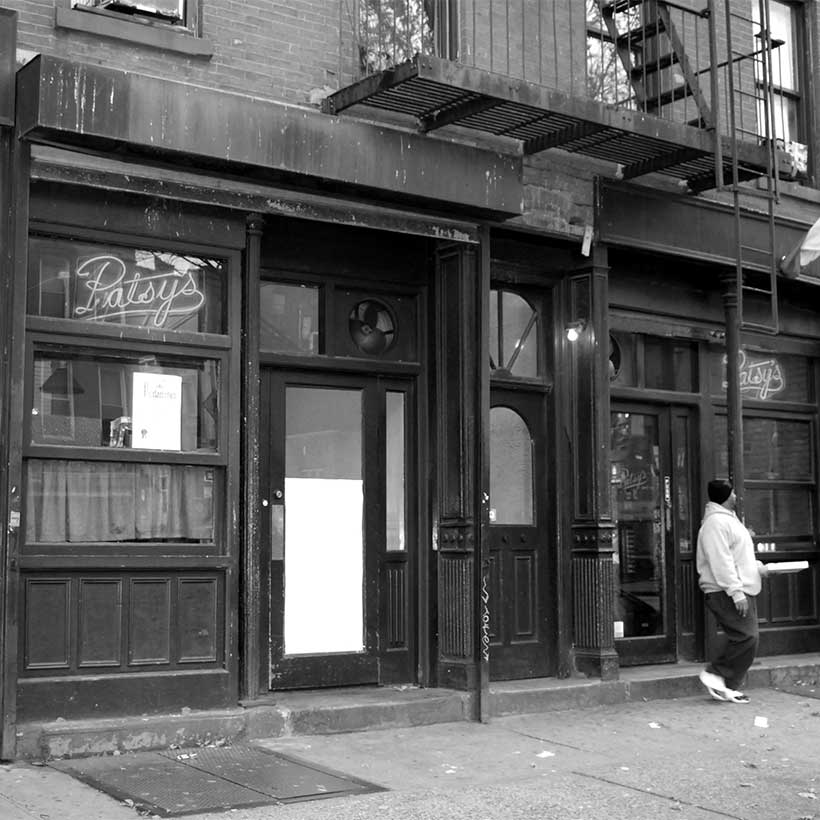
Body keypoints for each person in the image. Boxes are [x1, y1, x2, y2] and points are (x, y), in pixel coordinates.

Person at [696, 479, 768, 704]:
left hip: (738, 588)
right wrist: (736, 592)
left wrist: (758, 568)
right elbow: (721, 561)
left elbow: (738, 557)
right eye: (733, 493)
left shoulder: (728, 521)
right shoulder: (715, 524)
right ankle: (715, 673)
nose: (737, 496)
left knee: (747, 638)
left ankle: (727, 686)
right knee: (746, 637)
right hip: (724, 591)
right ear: (727, 496)